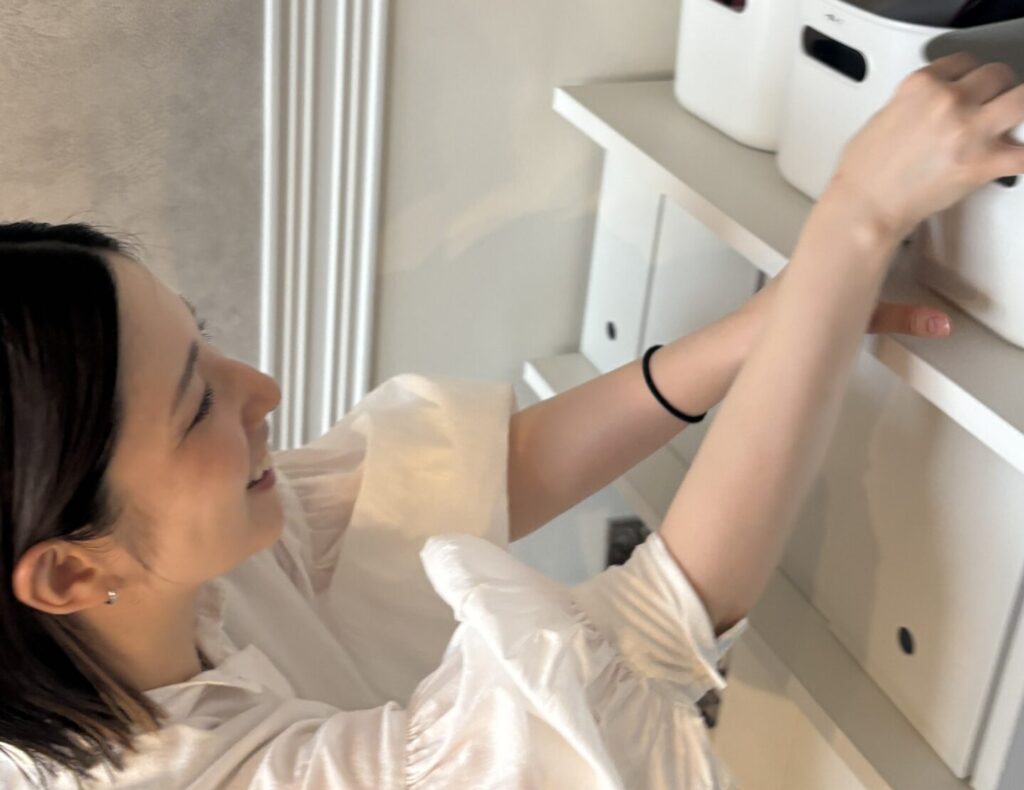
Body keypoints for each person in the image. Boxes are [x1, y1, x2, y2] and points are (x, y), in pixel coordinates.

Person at [1, 52, 1021, 789]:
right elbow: (647, 642)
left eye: (207, 338)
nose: (260, 386)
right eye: (196, 405)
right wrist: (854, 220)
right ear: (69, 574)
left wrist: (768, 325)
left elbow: (472, 476)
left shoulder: (165, 589)